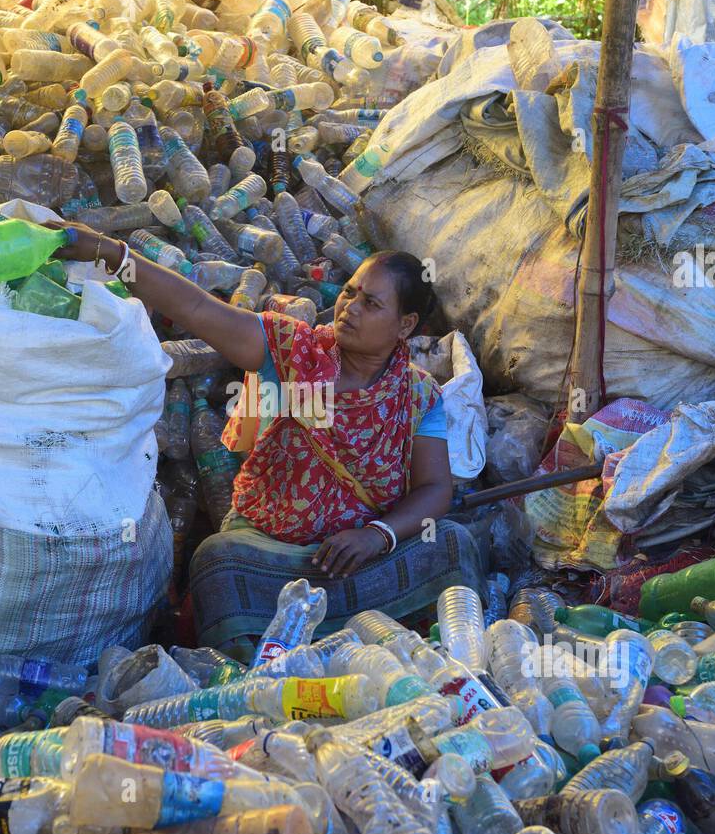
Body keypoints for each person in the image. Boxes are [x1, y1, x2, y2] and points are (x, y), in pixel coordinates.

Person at [55, 224, 485, 655]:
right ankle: (260, 672)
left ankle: (425, 655)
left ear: (405, 325)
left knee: (451, 542)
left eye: (370, 304)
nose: (349, 308)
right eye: (350, 293)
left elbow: (434, 488)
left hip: (358, 559)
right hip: (271, 557)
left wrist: (377, 536)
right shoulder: (293, 352)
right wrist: (107, 251)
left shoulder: (419, 395)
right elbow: (196, 306)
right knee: (217, 563)